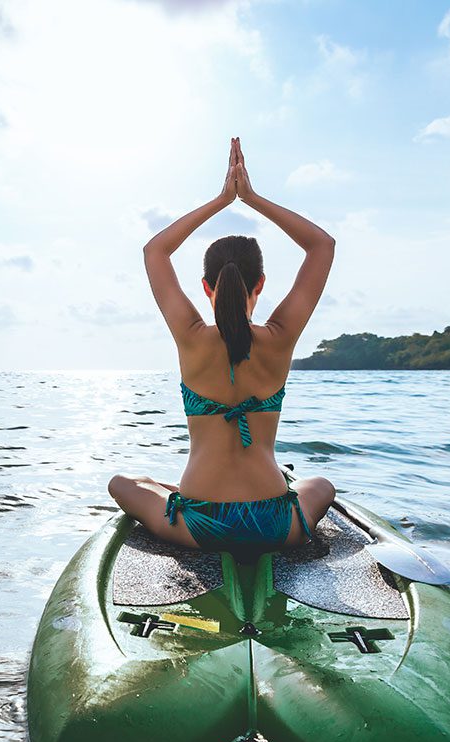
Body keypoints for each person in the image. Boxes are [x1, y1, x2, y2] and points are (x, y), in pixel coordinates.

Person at [108, 138, 336, 561]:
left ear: (207, 287)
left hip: (201, 525)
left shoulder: (191, 336)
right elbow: (322, 246)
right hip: (274, 525)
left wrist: (221, 199)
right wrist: (250, 198)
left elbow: (155, 250)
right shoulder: (281, 336)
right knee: (320, 486)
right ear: (260, 286)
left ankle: (177, 493)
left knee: (124, 483)